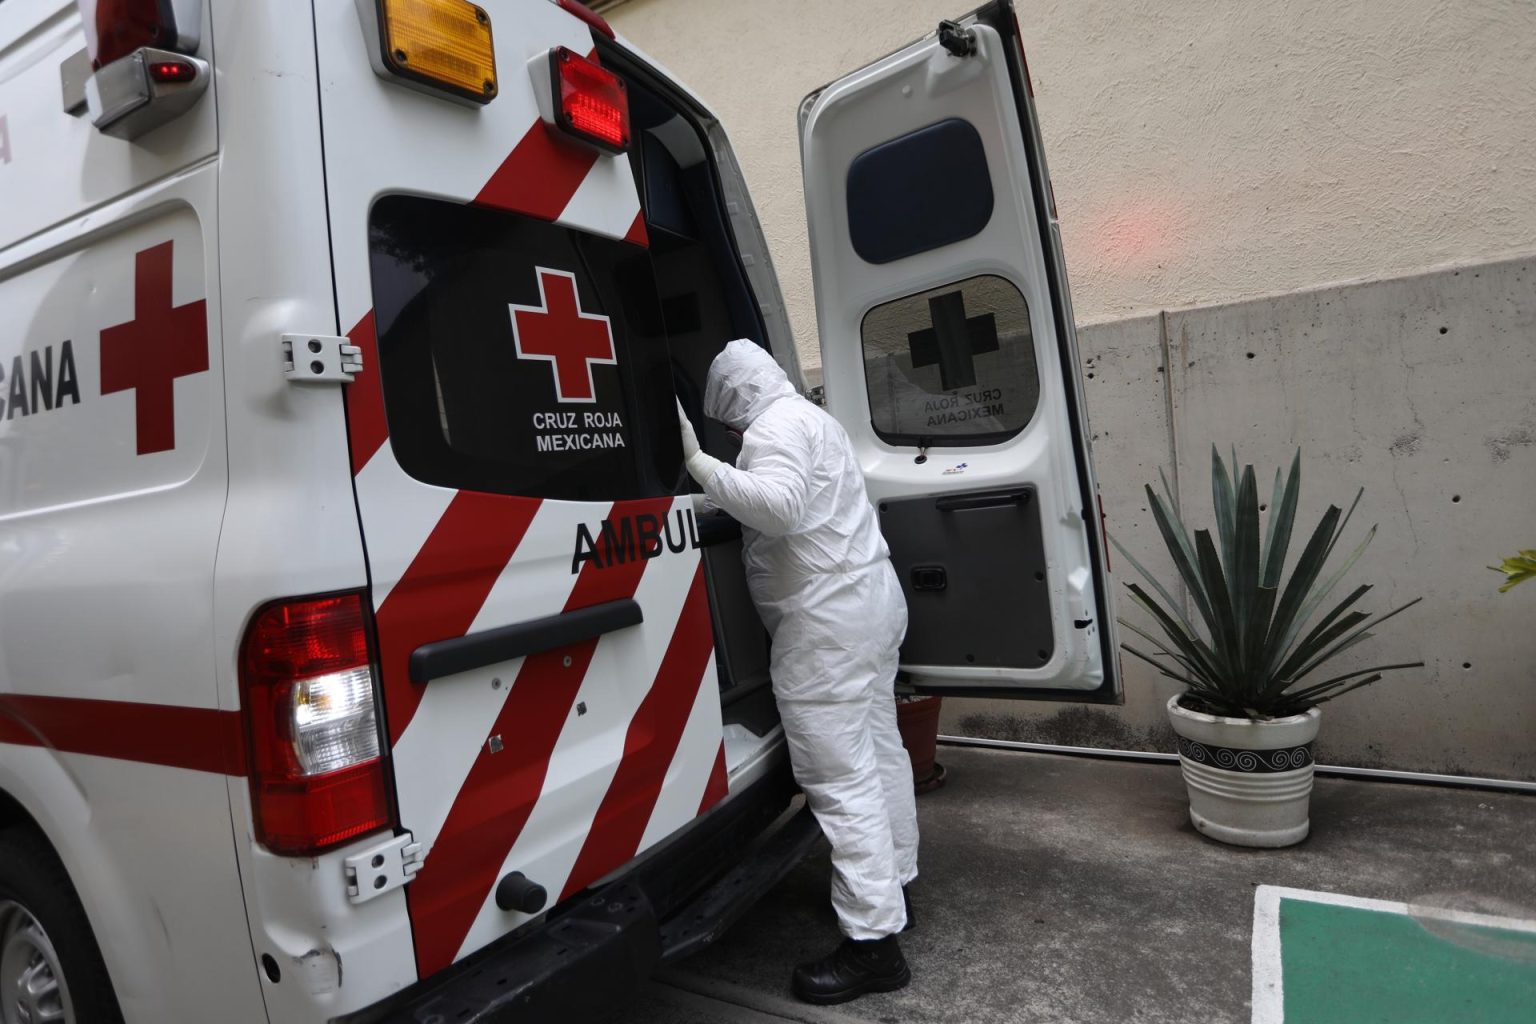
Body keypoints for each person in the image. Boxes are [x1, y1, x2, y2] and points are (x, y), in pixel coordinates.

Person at [676, 339, 919, 1005]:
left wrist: (698, 463)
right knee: (881, 750)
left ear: (735, 406)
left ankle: (874, 946)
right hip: (871, 604)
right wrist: (714, 495)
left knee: (840, 781)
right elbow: (795, 506)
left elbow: (777, 508)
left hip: (825, 629)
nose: (732, 436)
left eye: (729, 426)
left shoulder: (771, 431)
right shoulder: (813, 419)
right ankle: (894, 886)